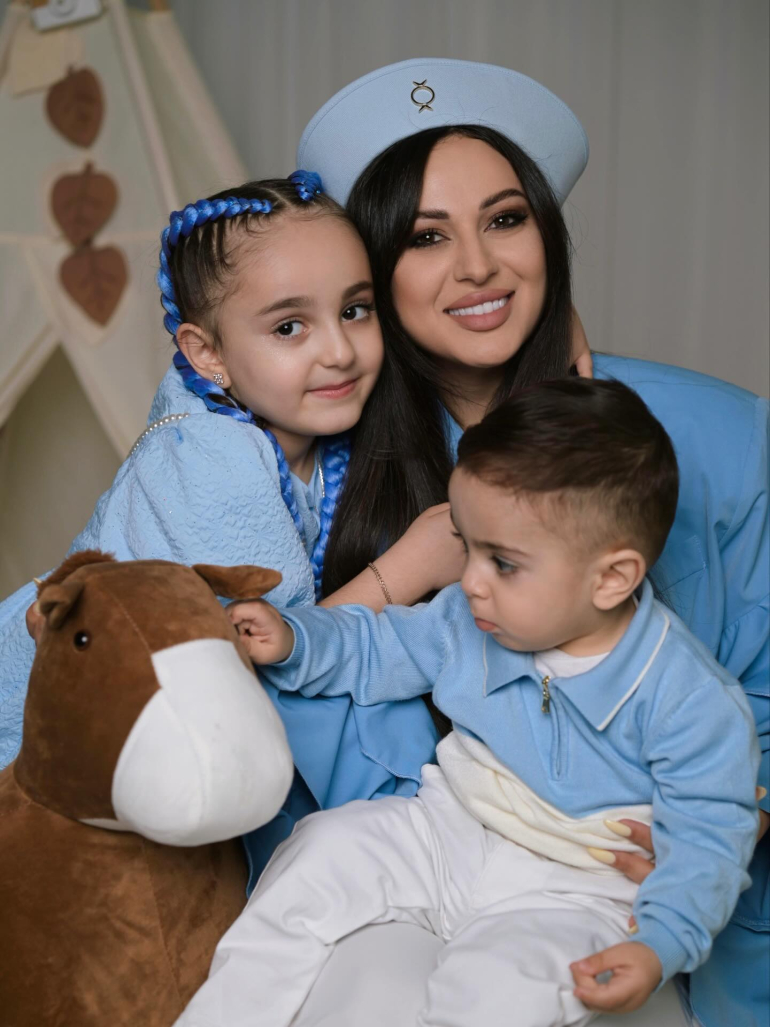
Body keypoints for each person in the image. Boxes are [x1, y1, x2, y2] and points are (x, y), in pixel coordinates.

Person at [291, 59, 768, 1027]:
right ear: (371, 274)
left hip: (650, 908)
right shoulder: (311, 467)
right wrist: (394, 577)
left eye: (505, 219)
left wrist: (735, 814)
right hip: (407, 884)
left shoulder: (723, 435)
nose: (477, 266)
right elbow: (248, 688)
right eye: (426, 237)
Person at [176, 378, 760, 1027]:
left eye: (502, 562)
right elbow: (379, 644)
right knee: (320, 850)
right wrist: (296, 639)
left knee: (500, 991)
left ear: (611, 578)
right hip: (449, 831)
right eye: (466, 544)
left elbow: (711, 839)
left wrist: (661, 943)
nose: (471, 580)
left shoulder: (688, 700)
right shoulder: (466, 618)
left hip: (579, 890)